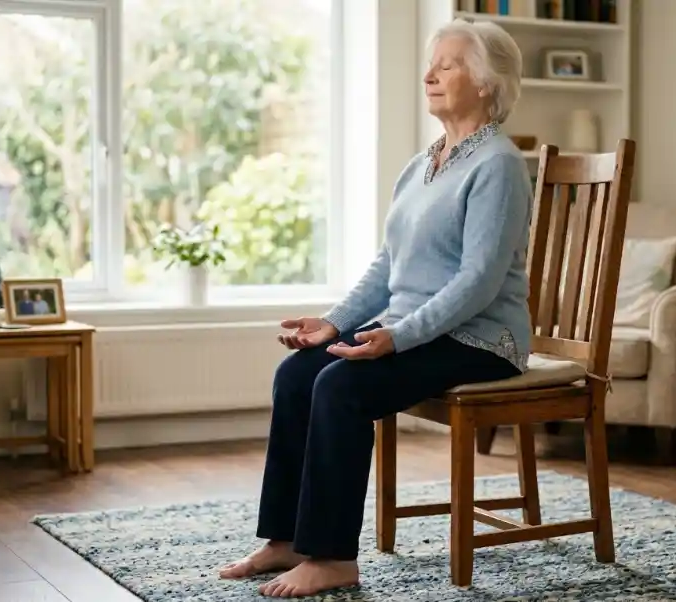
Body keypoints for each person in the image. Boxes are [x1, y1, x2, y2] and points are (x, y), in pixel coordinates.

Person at [218, 19, 533, 598]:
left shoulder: (500, 166)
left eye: (449, 64)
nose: (429, 74)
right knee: (297, 375)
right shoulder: (422, 164)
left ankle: (334, 557)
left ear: (488, 84)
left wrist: (398, 336)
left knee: (341, 388)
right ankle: (286, 539)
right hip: (418, 330)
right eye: (431, 62)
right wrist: (337, 322)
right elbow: (389, 264)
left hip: (482, 339)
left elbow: (478, 284)